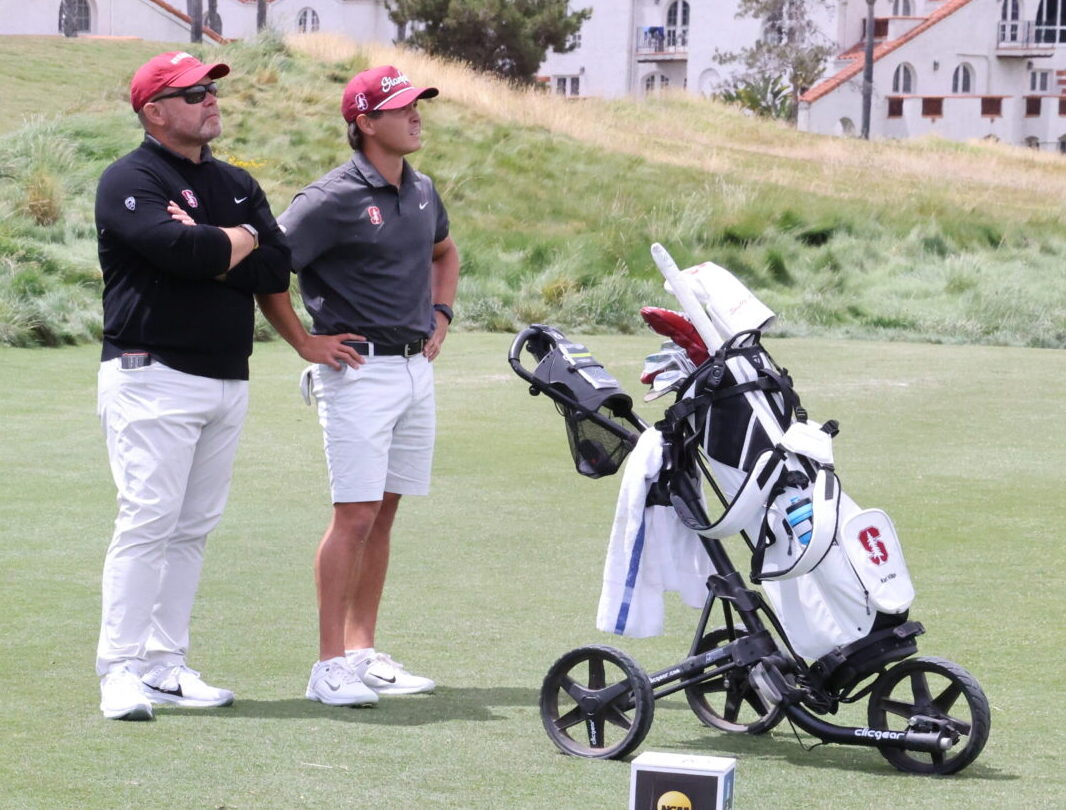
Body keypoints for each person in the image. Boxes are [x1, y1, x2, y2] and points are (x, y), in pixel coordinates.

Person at [94, 51, 291, 720]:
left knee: (193, 527)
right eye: (194, 92)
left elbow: (276, 269)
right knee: (148, 520)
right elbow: (185, 253)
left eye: (212, 89)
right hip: (150, 374)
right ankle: (118, 670)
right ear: (154, 111)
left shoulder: (235, 182)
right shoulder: (131, 177)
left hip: (225, 378)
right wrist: (232, 243)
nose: (211, 99)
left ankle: (163, 665)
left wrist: (217, 243)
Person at [257, 65, 460, 707]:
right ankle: (328, 666)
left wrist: (442, 315)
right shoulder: (330, 198)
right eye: (401, 108)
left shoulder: (422, 189)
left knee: (387, 511)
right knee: (356, 514)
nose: (416, 115)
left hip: (412, 370)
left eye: (417, 104)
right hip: (355, 371)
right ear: (365, 122)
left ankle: (362, 651)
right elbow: (268, 270)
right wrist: (304, 342)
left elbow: (445, 254)